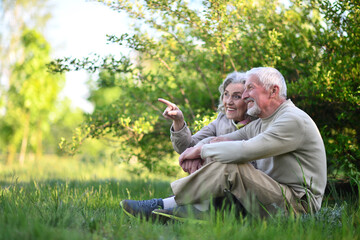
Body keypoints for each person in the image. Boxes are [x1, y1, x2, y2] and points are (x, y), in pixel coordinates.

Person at [120, 67, 327, 221]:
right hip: (276, 194)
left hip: (299, 207)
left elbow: (245, 150)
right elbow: (224, 140)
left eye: (249, 89)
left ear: (273, 91)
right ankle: (182, 210)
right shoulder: (265, 121)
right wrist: (197, 150)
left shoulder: (292, 120)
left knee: (231, 166)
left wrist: (202, 150)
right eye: (239, 92)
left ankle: (165, 205)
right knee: (223, 157)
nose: (245, 96)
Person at [158, 71, 255, 174]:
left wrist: (207, 147)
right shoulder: (221, 120)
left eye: (236, 96)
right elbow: (187, 147)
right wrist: (178, 120)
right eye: (226, 94)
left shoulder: (259, 123)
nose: (228, 102)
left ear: (248, 99)